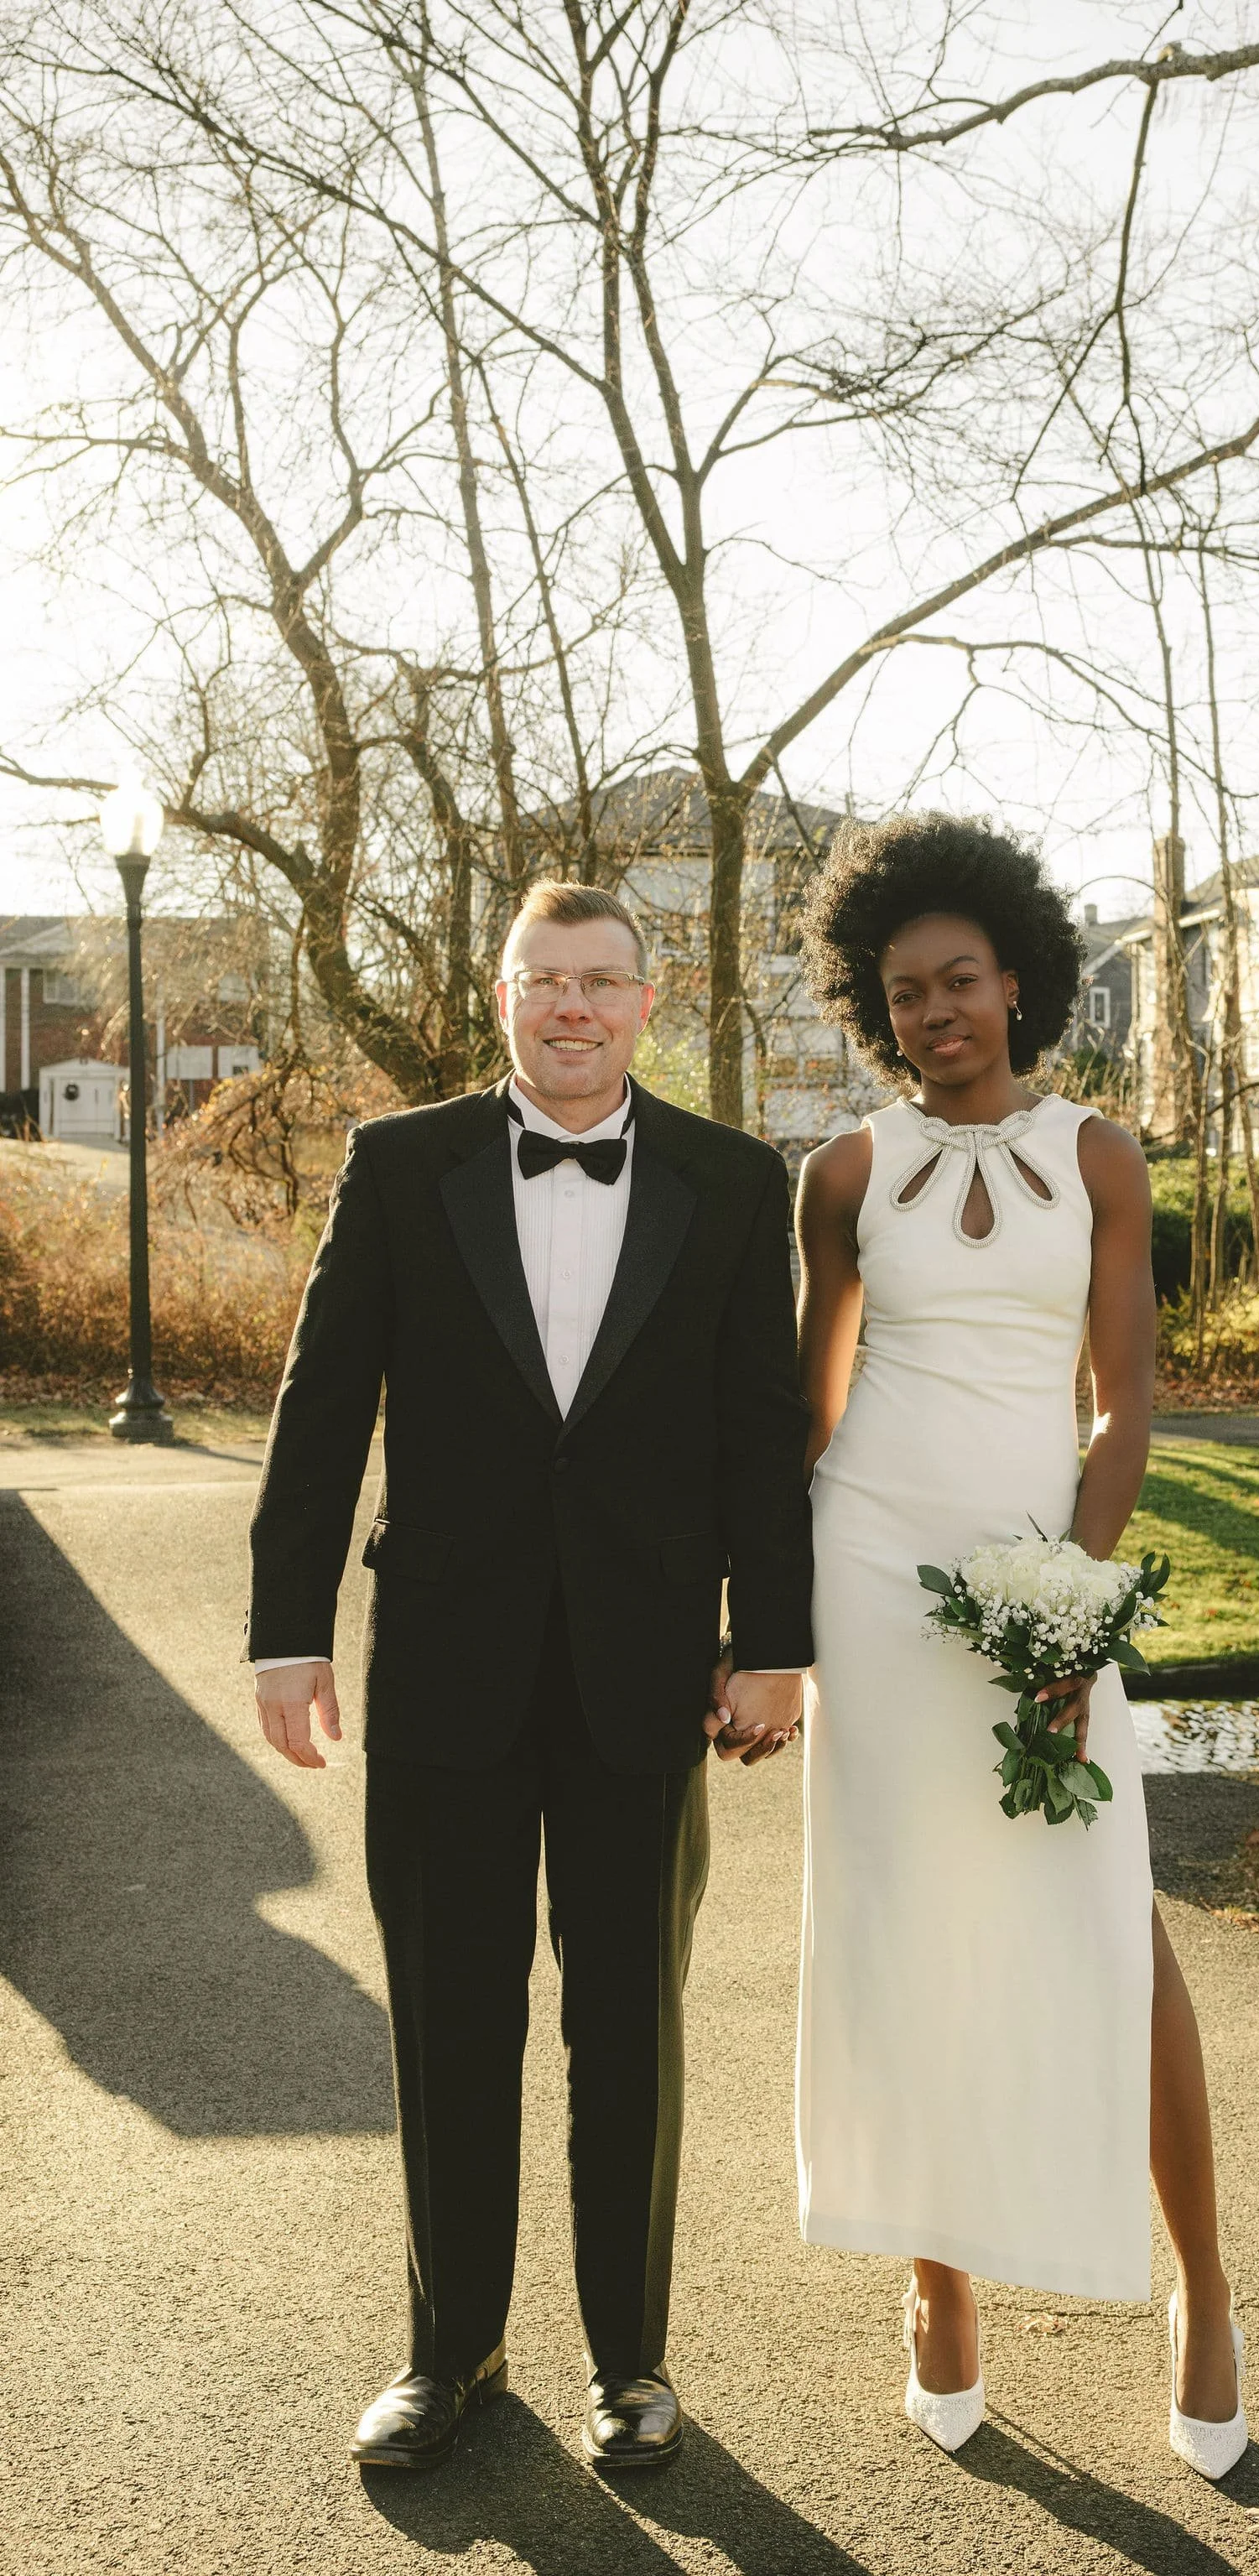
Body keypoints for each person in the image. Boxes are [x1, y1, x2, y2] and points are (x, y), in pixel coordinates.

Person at [247, 882, 812, 2475]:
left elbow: (759, 1433)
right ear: (500, 996)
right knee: (450, 2018)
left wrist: (775, 1641)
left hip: (647, 1675)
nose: (573, 1007)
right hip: (444, 1667)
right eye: (543, 979)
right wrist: (286, 1630)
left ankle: (632, 2362)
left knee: (629, 2025)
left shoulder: (729, 1176)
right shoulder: (398, 1162)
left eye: (601, 982)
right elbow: (319, 1409)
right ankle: (451, 2353)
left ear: (650, 1000)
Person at [783, 813, 1246, 2478]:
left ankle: (1202, 2287)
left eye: (959, 978)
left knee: (1109, 1916)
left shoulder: (1098, 1156)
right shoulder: (844, 1175)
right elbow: (807, 1416)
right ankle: (938, 2285)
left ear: (1019, 978)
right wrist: (771, 1624)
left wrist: (1074, 1593)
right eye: (903, 990)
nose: (933, 1012)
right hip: (874, 1577)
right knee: (903, 1927)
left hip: (1041, 1571)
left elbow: (1122, 1404)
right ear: (875, 1002)